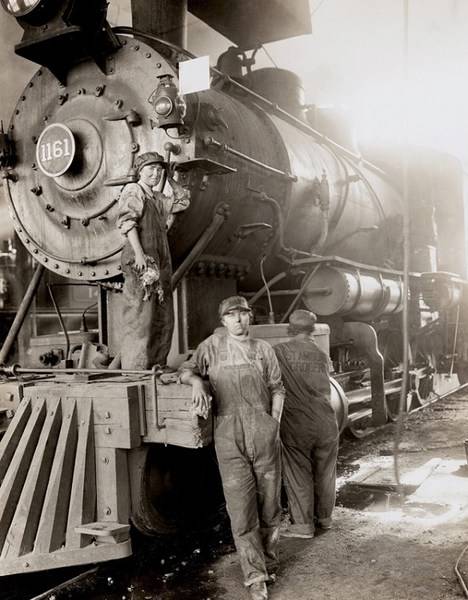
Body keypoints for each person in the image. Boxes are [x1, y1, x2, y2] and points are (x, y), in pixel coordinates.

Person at [179, 296, 285, 600]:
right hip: (229, 436)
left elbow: (278, 389)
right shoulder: (210, 347)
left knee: (270, 506)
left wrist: (273, 423)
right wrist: (197, 383)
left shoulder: (263, 350)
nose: (238, 320)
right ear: (223, 321)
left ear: (250, 318)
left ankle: (268, 563)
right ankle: (255, 577)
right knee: (241, 510)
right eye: (232, 316)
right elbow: (186, 370)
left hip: (264, 434)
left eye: (243, 314)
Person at [117, 151, 190, 370]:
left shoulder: (157, 198)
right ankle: (136, 368)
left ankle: (157, 364)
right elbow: (127, 223)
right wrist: (139, 254)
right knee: (140, 314)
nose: (155, 174)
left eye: (159, 170)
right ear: (140, 171)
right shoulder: (133, 190)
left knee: (163, 314)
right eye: (151, 169)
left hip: (160, 259)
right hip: (142, 258)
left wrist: (170, 178)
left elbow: (182, 202)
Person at [274, 309, 339, 539]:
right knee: (325, 472)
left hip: (297, 423)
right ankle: (325, 519)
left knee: (298, 472)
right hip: (326, 421)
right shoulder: (321, 354)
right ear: (312, 330)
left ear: (290, 329)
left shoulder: (279, 351)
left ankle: (302, 527)